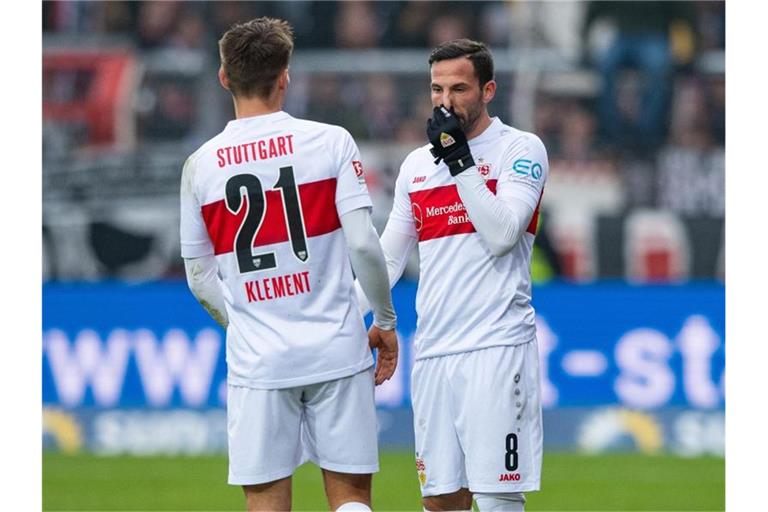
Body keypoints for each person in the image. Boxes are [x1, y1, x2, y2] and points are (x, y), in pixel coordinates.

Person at [179, 17, 398, 512]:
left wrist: (247, 323)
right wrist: (384, 320)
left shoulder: (202, 165)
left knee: (266, 504)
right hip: (337, 349)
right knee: (351, 500)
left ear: (223, 76)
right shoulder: (331, 142)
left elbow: (199, 277)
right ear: (285, 77)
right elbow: (364, 245)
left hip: (259, 361)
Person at [358, 39, 547, 511]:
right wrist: (343, 316)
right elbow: (388, 258)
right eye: (436, 89)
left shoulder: (520, 149)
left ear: (488, 90)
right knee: (441, 500)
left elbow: (504, 232)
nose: (445, 101)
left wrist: (460, 160)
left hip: (497, 347)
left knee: (497, 497)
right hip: (435, 352)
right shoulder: (417, 166)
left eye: (459, 88)